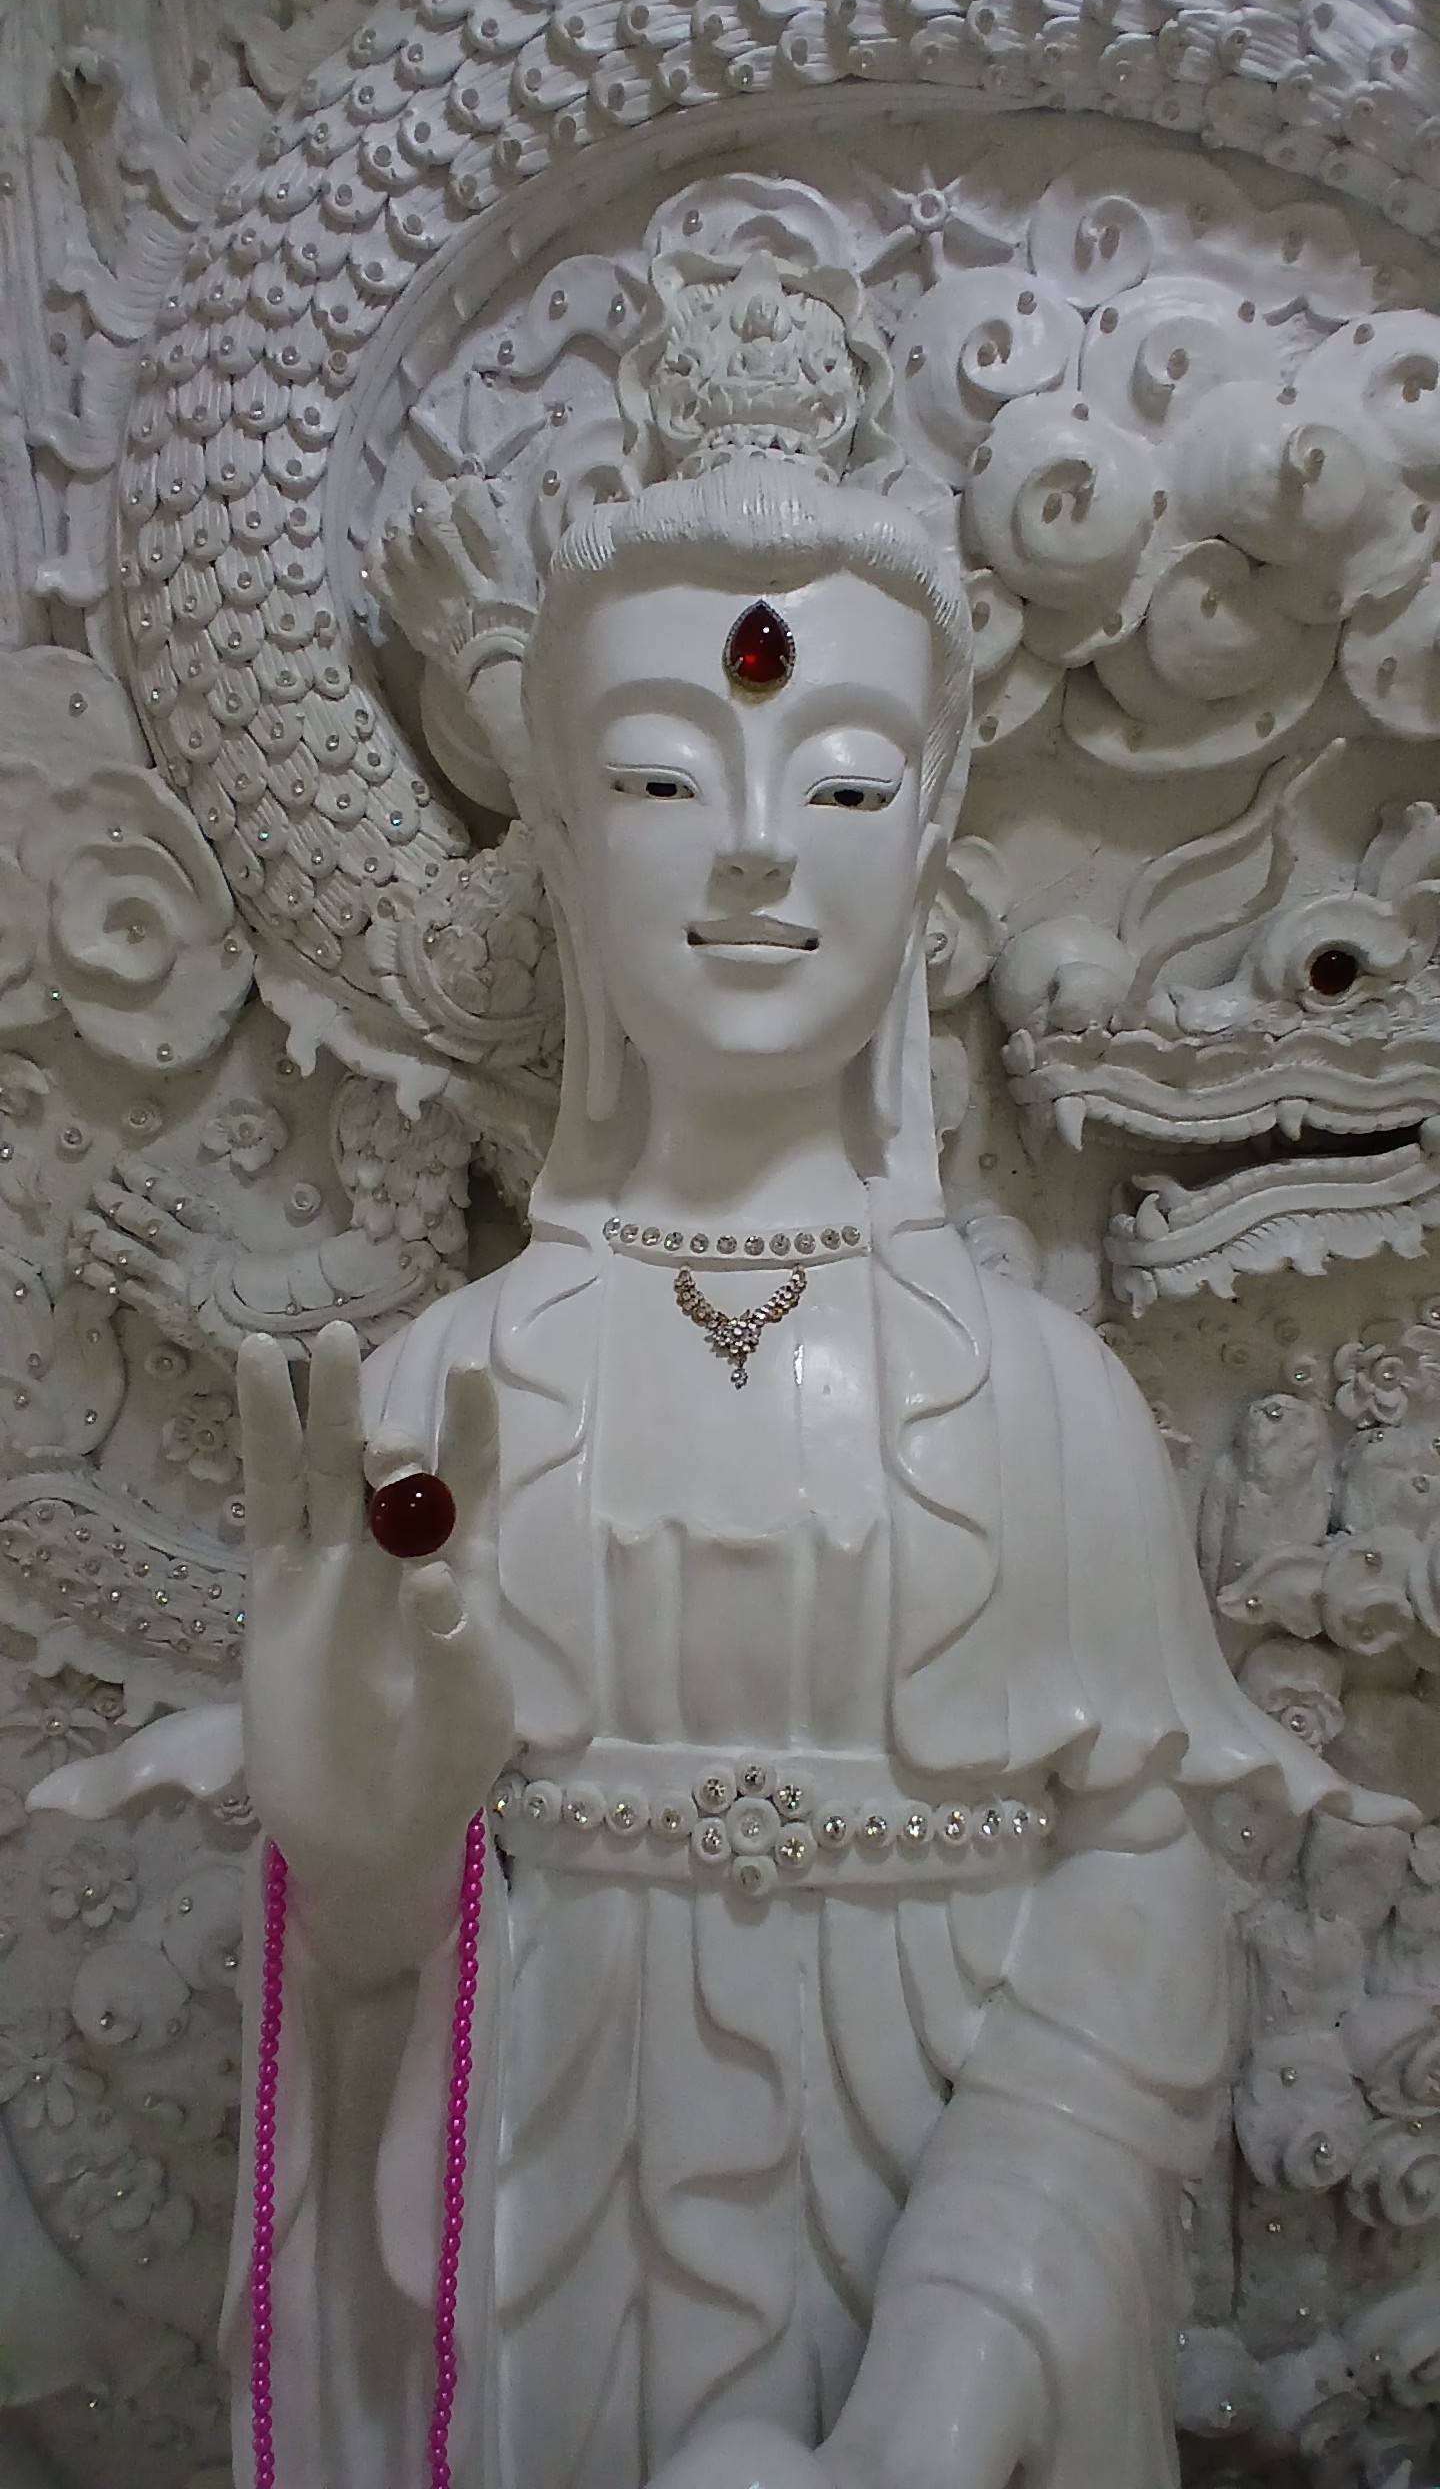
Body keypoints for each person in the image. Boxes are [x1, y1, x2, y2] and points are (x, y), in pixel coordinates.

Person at [38, 384, 1402, 2489]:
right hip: (546, 2300)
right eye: (667, 774)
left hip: (940, 2313)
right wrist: (371, 1866)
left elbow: (1134, 1913)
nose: (758, 842)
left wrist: (942, 2391)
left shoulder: (1041, 1402)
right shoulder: (440, 1402)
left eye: (840, 778)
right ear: (568, 851)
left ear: (928, 843)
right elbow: (381, 1960)